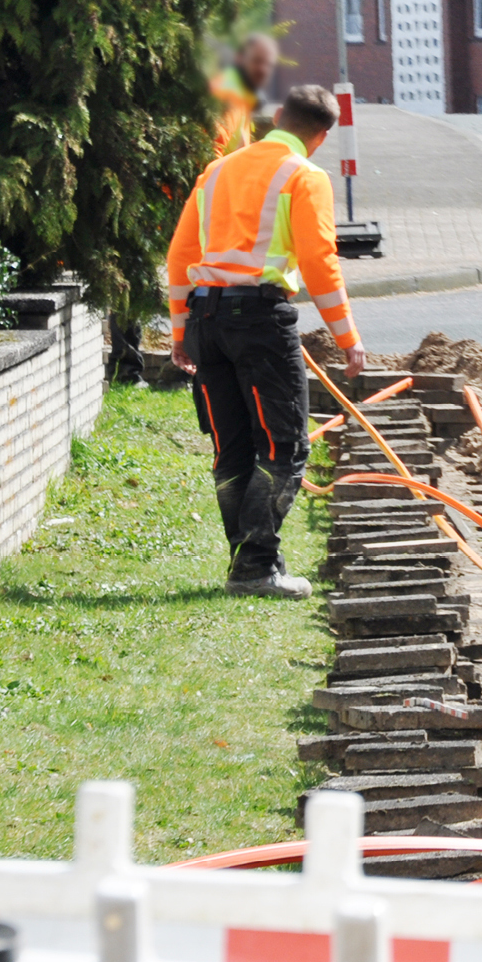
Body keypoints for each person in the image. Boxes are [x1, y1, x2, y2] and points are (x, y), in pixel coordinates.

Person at [167, 84, 367, 597]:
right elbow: (320, 263)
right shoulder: (304, 175)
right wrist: (347, 339)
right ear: (321, 138)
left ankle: (248, 563)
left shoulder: (217, 171)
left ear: (277, 117)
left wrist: (180, 329)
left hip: (206, 318)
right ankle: (256, 567)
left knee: (231, 449)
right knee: (284, 445)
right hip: (258, 319)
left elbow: (180, 255)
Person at [107, 34, 282, 382]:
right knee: (162, 278)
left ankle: (150, 366)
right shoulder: (227, 99)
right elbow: (208, 155)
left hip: (191, 203)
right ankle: (143, 368)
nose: (263, 73)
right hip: (188, 205)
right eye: (258, 64)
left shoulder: (238, 101)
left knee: (161, 279)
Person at [209, 35, 279, 158]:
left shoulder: (241, 94)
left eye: (268, 64)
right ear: (239, 59)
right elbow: (211, 153)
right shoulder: (229, 95)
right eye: (256, 61)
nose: (263, 70)